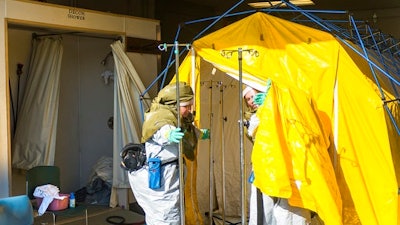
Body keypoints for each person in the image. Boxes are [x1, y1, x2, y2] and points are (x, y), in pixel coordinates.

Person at [128, 82, 209, 225]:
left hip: (170, 176)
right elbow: (160, 129)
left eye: (190, 106)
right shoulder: (160, 116)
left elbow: (186, 131)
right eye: (186, 106)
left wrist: (200, 134)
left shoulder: (178, 118)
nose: (189, 110)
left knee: (170, 214)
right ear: (174, 104)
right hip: (161, 177)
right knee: (165, 217)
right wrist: (169, 134)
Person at [243, 80, 311, 225]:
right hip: (264, 169)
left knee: (287, 211)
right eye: (248, 99)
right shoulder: (251, 119)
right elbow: (253, 134)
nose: (251, 101)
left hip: (285, 167)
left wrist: (272, 101)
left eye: (254, 96)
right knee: (263, 210)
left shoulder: (282, 108)